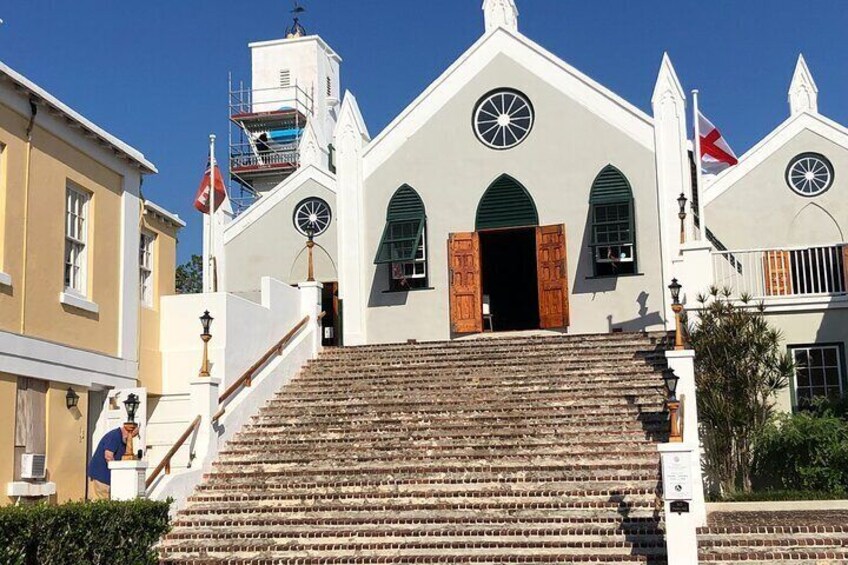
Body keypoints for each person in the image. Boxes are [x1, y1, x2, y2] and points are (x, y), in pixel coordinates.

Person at [87, 425, 138, 500]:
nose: (132, 438)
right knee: (101, 503)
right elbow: (108, 456)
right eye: (133, 435)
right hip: (101, 476)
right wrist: (116, 473)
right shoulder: (114, 436)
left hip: (107, 478)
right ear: (129, 431)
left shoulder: (122, 439)